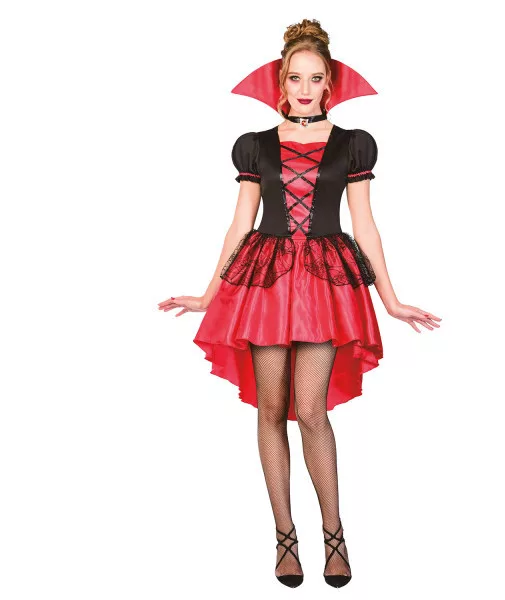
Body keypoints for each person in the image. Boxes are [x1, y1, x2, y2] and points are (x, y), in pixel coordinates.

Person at [158, 18, 441, 588]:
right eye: (295, 78)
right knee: (270, 409)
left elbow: (365, 223)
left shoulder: (353, 143)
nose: (305, 88)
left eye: (315, 78)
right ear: (281, 82)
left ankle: (334, 534)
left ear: (330, 83)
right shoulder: (255, 145)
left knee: (311, 410)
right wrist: (208, 294)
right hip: (265, 282)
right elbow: (240, 222)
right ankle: (285, 537)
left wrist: (390, 299)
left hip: (323, 283)